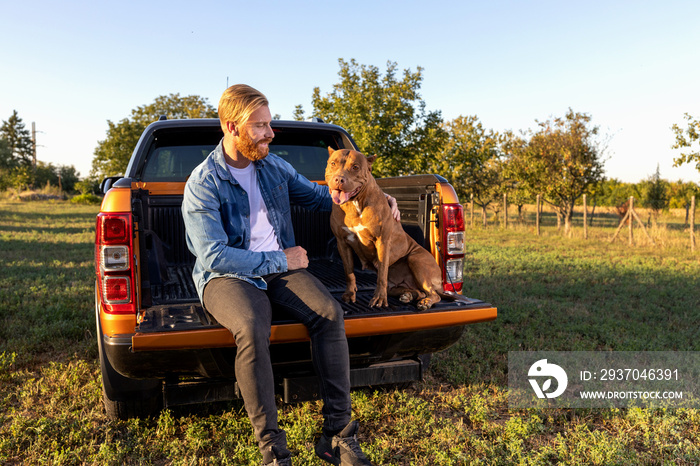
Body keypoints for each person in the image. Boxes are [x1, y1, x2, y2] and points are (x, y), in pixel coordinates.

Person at [182, 84, 395, 466]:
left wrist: (377, 195)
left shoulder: (273, 166)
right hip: (226, 276)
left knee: (330, 314)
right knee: (250, 326)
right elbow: (213, 255)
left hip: (281, 266)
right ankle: (274, 453)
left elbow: (322, 198)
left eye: (269, 124)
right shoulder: (203, 183)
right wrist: (280, 260)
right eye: (261, 126)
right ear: (232, 126)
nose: (271, 133)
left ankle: (337, 436)